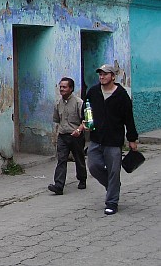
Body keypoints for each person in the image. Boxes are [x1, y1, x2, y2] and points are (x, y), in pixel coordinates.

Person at [85, 64, 139, 215]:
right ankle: (113, 186)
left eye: (105, 74)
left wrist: (132, 139)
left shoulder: (121, 95)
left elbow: (129, 118)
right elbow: (87, 108)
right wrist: (87, 122)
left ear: (113, 77)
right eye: (100, 74)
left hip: (114, 140)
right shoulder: (93, 92)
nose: (102, 77)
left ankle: (112, 202)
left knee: (114, 171)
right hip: (96, 138)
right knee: (94, 166)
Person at [48, 77, 87, 195]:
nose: (62, 89)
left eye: (64, 87)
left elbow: (86, 120)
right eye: (60, 87)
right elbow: (57, 120)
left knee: (79, 158)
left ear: (71, 88)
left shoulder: (79, 103)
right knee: (61, 160)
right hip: (63, 136)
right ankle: (59, 185)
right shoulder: (58, 104)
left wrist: (79, 130)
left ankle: (82, 179)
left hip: (76, 136)